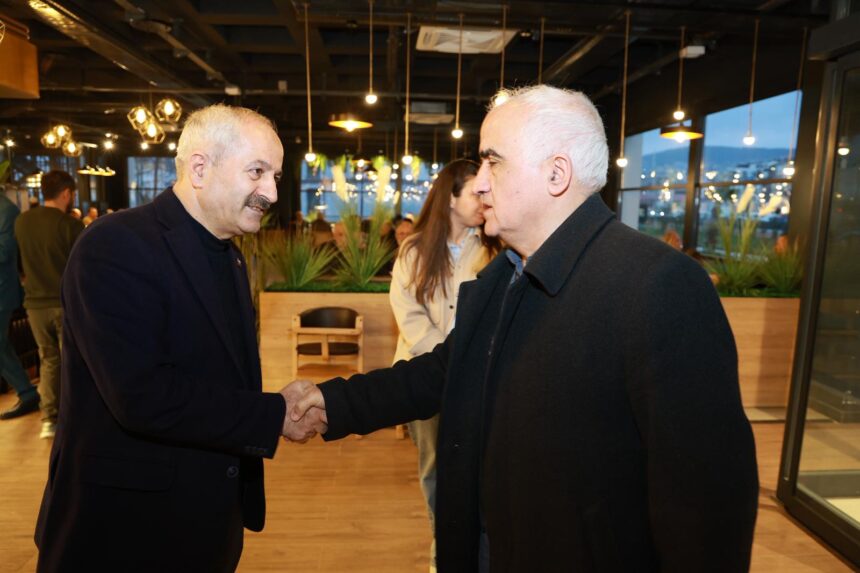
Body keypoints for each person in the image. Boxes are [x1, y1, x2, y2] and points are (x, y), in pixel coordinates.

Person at [289, 85, 759, 572]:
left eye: (493, 162)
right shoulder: (504, 274)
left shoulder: (659, 284)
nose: (480, 184)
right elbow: (440, 373)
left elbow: (707, 501)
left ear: (557, 174)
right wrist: (332, 403)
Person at [34, 105, 325, 573]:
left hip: (204, 527)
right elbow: (140, 395)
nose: (271, 192)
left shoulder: (229, 257)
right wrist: (273, 414)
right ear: (200, 168)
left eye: (274, 176)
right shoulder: (114, 245)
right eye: (257, 172)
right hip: (122, 533)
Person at [389, 159, 499, 572]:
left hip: (477, 382)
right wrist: (450, 360)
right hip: (426, 379)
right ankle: (443, 553)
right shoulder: (415, 250)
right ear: (450, 198)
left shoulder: (491, 247)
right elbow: (409, 316)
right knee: (434, 470)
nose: (483, 198)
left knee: (476, 470)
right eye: (474, 192)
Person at [15, 171, 85, 438]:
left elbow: (19, 263)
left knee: (48, 359)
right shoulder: (70, 226)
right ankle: (74, 417)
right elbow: (82, 268)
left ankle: (49, 418)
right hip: (64, 303)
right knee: (73, 360)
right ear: (66, 193)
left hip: (34, 304)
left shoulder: (22, 222)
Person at [0, 193, 40, 419]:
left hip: (3, 290)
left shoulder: (6, 210)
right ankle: (27, 393)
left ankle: (27, 393)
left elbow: (5, 252)